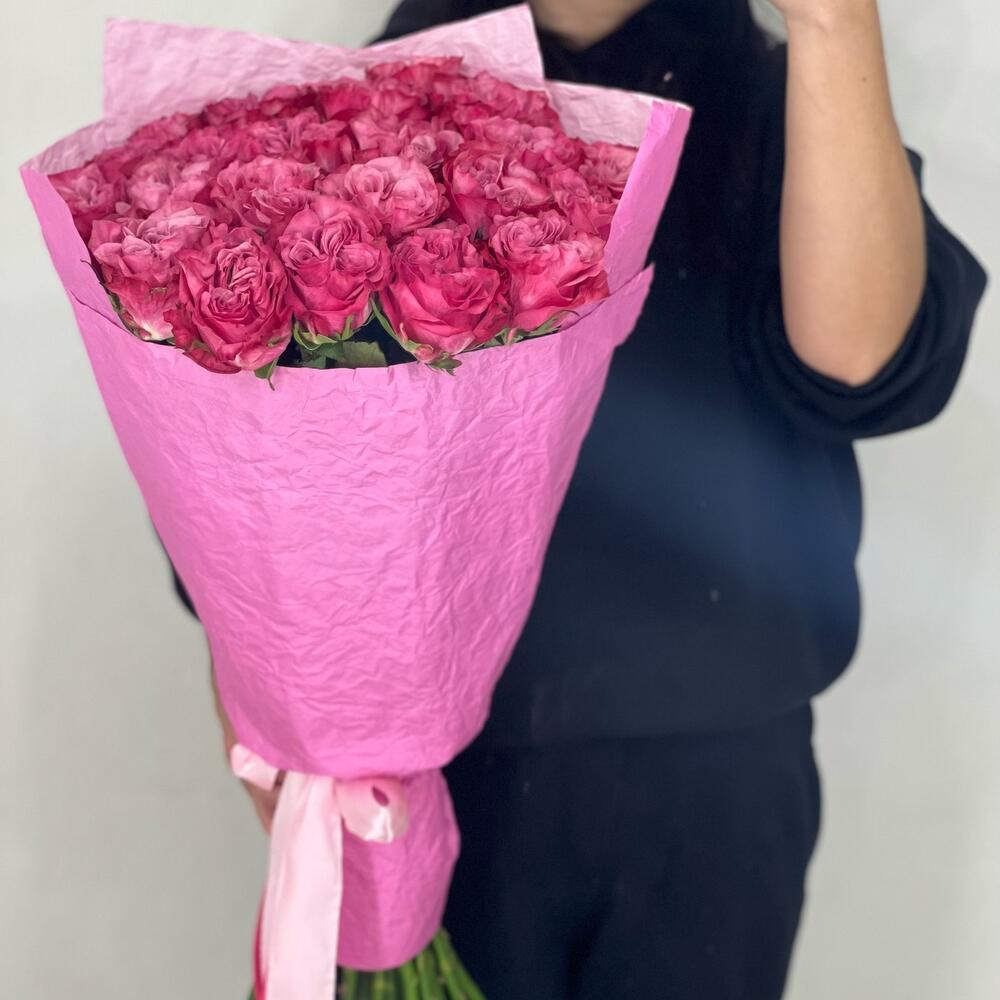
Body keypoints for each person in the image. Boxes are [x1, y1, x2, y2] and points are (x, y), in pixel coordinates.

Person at [176, 1, 988, 997]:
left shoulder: (779, 102)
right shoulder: (360, 117)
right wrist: (267, 714)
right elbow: (251, 491)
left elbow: (862, 364)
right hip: (430, 778)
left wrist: (834, 27)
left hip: (715, 781)